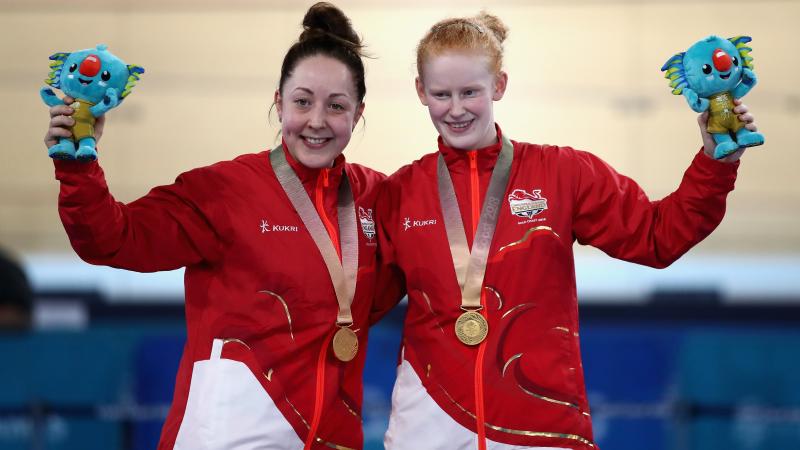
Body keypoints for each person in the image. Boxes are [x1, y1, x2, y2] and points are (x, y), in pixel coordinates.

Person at [372, 12, 758, 450]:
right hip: (428, 425)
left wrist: (715, 164)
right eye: (441, 94)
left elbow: (657, 237)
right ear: (421, 91)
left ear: (499, 85)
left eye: (470, 92)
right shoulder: (400, 193)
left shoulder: (563, 173)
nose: (456, 108)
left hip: (542, 428)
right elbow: (358, 300)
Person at [45, 3, 385, 449]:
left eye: (336, 106)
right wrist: (78, 169)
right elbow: (113, 239)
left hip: (331, 438)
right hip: (227, 437)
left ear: (358, 113)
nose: (317, 121)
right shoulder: (224, 192)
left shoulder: (376, 199)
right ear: (278, 102)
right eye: (302, 101)